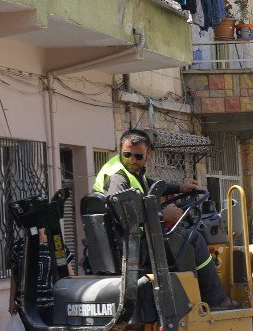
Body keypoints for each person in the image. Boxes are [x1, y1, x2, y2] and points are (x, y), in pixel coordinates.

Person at [94, 129, 239, 310]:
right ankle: (217, 300)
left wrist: (180, 187)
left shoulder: (128, 171)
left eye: (138, 156)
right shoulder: (117, 178)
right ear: (119, 150)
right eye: (127, 154)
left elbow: (149, 186)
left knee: (184, 235)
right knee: (194, 239)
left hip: (133, 241)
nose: (132, 160)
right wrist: (162, 215)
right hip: (135, 246)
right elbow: (124, 215)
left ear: (149, 154)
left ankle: (191, 294)